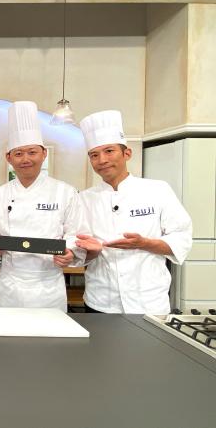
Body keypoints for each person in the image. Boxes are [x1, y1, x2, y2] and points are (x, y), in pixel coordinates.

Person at [75, 110, 192, 314]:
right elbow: (79, 250)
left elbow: (182, 238)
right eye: (94, 155)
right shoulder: (83, 199)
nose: (102, 160)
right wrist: (91, 251)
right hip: (101, 301)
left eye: (109, 151)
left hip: (149, 301)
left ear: (127, 153)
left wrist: (144, 243)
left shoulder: (157, 190)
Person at [0, 101, 88, 312]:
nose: (26, 159)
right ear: (9, 158)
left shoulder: (65, 192)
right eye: (18, 153)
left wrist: (69, 251)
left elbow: (74, 234)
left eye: (32, 152)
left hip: (48, 283)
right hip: (11, 283)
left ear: (43, 154)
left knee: (50, 332)